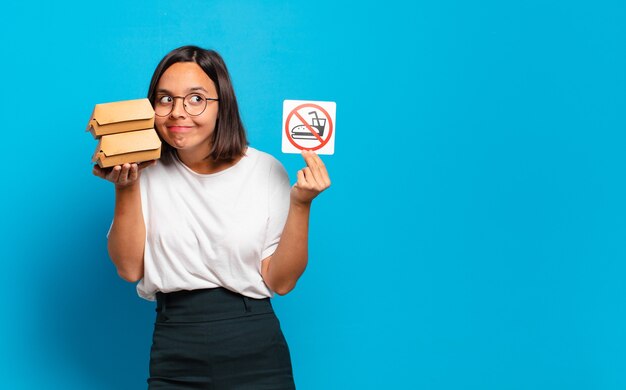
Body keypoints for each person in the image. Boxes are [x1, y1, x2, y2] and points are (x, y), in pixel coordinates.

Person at [93, 45, 331, 389]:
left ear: (223, 105)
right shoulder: (143, 170)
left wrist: (301, 204)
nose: (178, 112)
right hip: (174, 340)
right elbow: (129, 268)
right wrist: (125, 188)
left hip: (254, 343)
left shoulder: (264, 170)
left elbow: (281, 281)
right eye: (165, 99)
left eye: (196, 99)